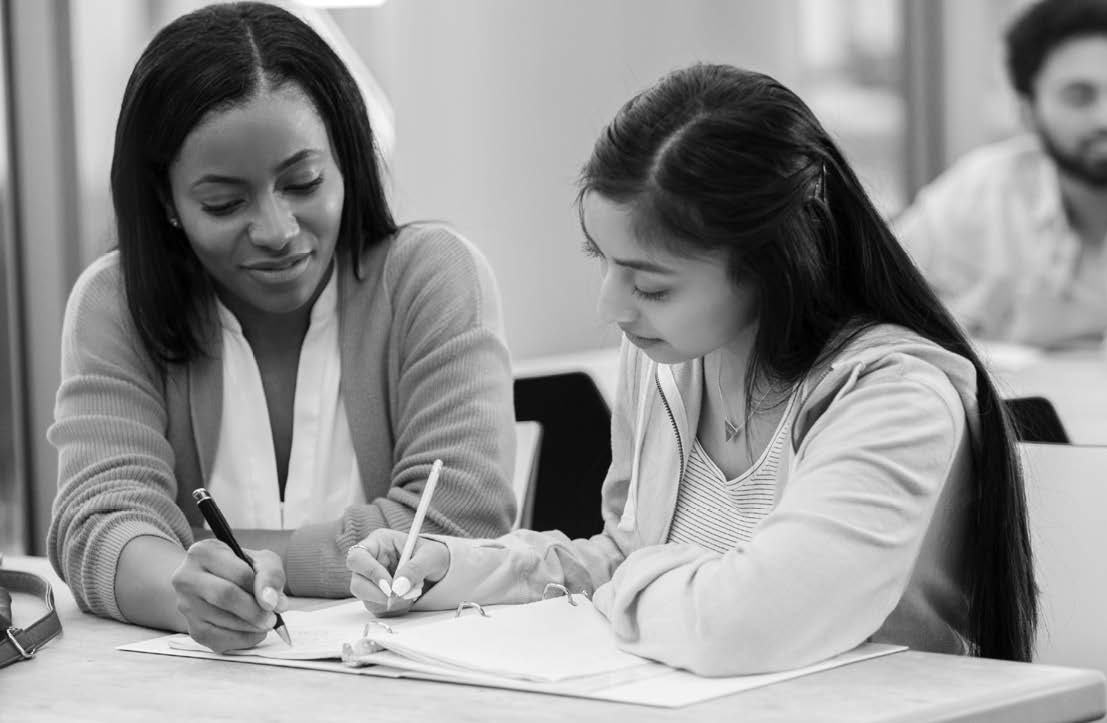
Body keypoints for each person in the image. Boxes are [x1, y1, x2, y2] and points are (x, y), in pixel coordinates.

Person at [347, 63, 1038, 675]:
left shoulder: (895, 395)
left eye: (651, 285)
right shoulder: (667, 361)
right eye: (602, 259)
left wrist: (639, 583)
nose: (610, 306)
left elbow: (742, 624)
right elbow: (633, 555)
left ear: (774, 262)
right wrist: (451, 568)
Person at [47, 2, 516, 654]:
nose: (278, 231)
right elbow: (97, 525)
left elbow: (460, 520)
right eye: (224, 202)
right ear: (167, 202)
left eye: (303, 181)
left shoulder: (430, 278)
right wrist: (188, 594)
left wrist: (221, 550)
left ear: (346, 160)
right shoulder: (117, 302)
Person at [895, 0, 1107, 366]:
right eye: (1080, 97)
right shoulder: (980, 194)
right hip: (1026, 414)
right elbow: (865, 291)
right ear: (1027, 111)